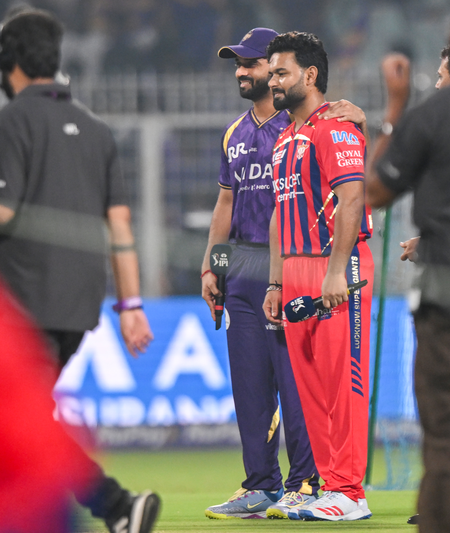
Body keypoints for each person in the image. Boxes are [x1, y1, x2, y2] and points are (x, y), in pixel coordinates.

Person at [0, 9, 160, 533]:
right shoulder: (96, 129)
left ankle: (113, 506)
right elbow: (120, 225)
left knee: (21, 428)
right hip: (78, 305)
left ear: (10, 62)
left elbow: (4, 210)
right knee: (24, 423)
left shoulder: (11, 121)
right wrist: (131, 305)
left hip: (22, 305)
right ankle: (117, 508)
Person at [201, 27, 368, 520]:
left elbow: (350, 189)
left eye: (254, 64)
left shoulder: (314, 123)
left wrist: (361, 119)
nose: (245, 72)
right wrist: (215, 267)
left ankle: (314, 483)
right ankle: (264, 484)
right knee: (255, 383)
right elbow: (228, 206)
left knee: (308, 382)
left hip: (312, 260)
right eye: (244, 65)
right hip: (254, 264)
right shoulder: (241, 133)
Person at [263, 31, 374, 521]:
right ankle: (331, 487)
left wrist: (335, 270)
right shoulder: (284, 138)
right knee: (311, 390)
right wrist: (275, 281)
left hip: (336, 264)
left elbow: (351, 200)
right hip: (294, 270)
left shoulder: (336, 129)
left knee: (342, 384)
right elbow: (278, 214)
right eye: (271, 73)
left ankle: (351, 493)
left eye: (280, 72)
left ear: (309, 75)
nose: (273, 81)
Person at [366, 46, 450, 533]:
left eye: (441, 73)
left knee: (442, 434)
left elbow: (373, 191)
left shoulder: (431, 115)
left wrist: (395, 107)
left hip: (443, 299)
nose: (437, 82)